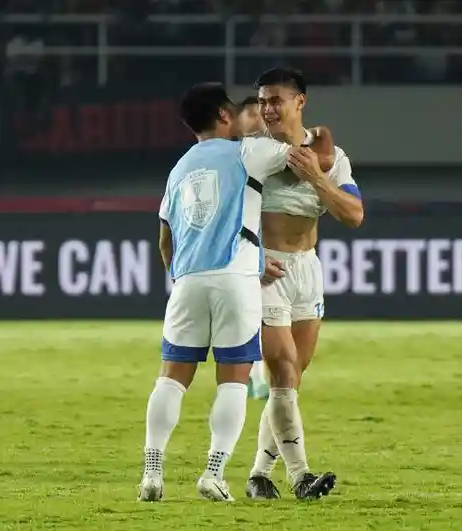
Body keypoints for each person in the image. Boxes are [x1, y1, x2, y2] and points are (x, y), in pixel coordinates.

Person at [138, 82, 334, 502]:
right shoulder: (247, 152)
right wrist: (321, 134)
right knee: (233, 381)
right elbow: (311, 159)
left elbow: (164, 240)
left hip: (186, 281)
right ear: (224, 116)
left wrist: (181, 278)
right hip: (235, 278)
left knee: (170, 379)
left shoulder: (178, 169)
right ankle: (213, 473)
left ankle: (152, 473)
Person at [245, 67, 363, 501]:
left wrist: (317, 177)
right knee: (282, 370)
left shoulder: (333, 157)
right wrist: (251, 257)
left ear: (300, 102)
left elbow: (353, 214)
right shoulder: (253, 152)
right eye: (262, 101)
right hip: (266, 270)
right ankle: (300, 476)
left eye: (276, 100)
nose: (267, 109)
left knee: (291, 380)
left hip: (307, 270)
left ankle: (259, 474)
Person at [236, 95, 272, 401]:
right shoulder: (229, 155)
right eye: (248, 113)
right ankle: (252, 376)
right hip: (236, 246)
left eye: (258, 112)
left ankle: (259, 378)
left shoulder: (273, 153)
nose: (255, 117)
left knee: (260, 314)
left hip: (263, 243)